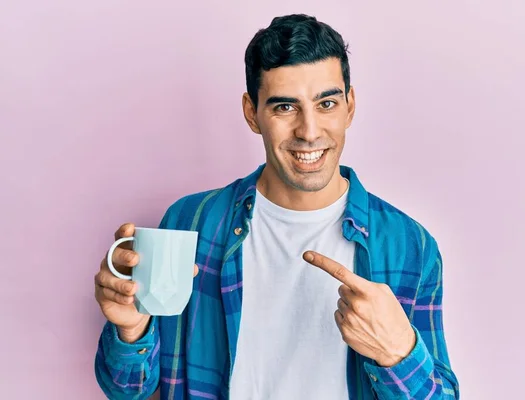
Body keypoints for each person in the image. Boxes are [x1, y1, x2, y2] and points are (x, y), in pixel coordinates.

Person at [93, 13, 460, 400]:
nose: (309, 131)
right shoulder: (190, 223)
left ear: (350, 106)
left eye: (327, 103)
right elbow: (127, 390)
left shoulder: (410, 246)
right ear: (252, 113)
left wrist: (398, 354)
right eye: (285, 108)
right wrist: (130, 330)